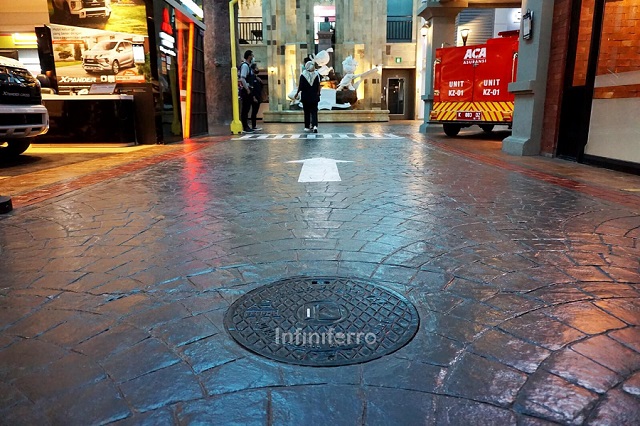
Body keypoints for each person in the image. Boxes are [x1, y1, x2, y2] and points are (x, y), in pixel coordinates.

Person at [295, 61, 321, 133]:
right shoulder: (316, 75)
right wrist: (318, 94)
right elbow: (318, 86)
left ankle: (307, 126)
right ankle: (314, 125)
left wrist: (297, 93)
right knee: (314, 111)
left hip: (305, 96)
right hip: (314, 97)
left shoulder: (303, 75)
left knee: (306, 112)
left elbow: (300, 86)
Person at [239, 50, 255, 133]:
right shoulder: (245, 66)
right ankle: (245, 126)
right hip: (246, 90)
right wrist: (247, 89)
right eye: (252, 55)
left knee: (247, 108)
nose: (253, 57)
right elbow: (242, 78)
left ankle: (246, 125)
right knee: (245, 109)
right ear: (249, 56)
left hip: (248, 89)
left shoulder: (248, 66)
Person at [250, 63, 263, 132]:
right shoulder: (252, 77)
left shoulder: (256, 78)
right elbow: (252, 88)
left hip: (258, 96)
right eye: (256, 68)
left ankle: (254, 126)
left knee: (255, 112)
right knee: (254, 112)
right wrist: (254, 97)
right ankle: (253, 126)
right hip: (254, 97)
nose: (257, 69)